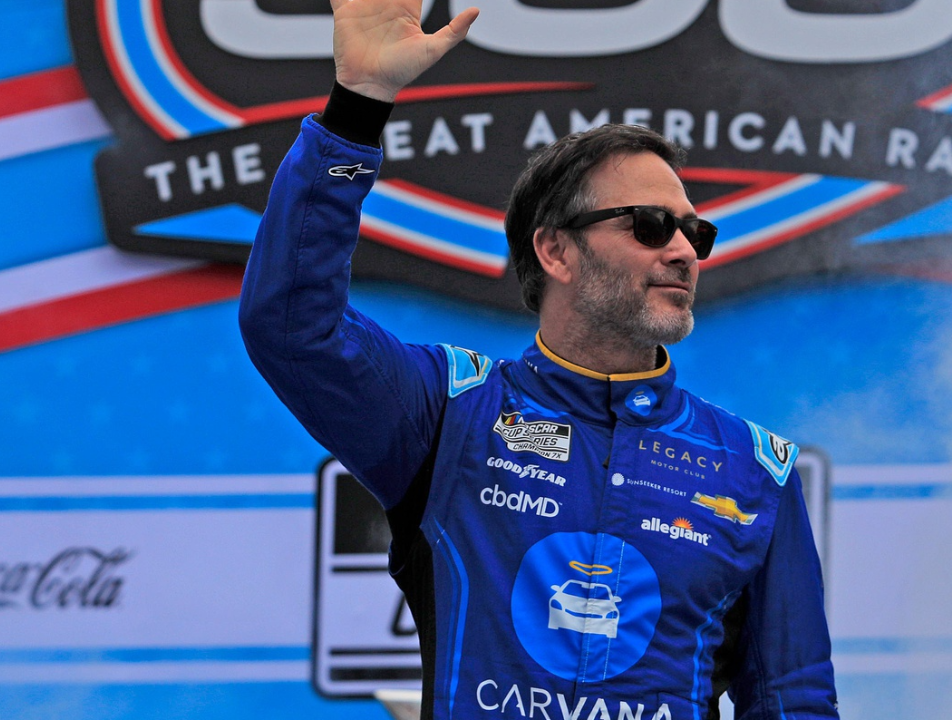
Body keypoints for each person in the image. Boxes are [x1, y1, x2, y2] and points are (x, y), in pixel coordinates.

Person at [238, 2, 840, 719]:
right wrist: (357, 107)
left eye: (694, 233)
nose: (681, 251)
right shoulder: (450, 414)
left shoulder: (756, 469)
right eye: (649, 226)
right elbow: (290, 325)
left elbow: (794, 701)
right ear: (554, 250)